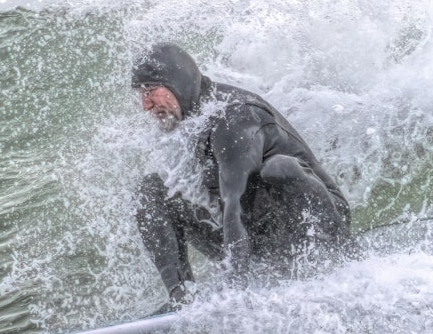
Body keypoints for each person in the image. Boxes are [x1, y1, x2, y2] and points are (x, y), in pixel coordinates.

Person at [132, 43, 352, 308]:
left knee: (279, 167)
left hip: (316, 227)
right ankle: (182, 300)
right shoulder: (192, 119)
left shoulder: (233, 117)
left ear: (176, 83)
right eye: (141, 94)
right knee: (152, 190)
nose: (145, 105)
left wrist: (235, 293)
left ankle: (334, 266)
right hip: (261, 235)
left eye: (150, 91)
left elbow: (234, 201)